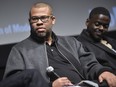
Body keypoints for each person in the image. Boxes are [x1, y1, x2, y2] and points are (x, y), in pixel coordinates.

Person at [3, 3, 116, 87]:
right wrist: (50, 85)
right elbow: (14, 82)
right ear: (30, 22)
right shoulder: (19, 50)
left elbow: (89, 64)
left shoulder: (71, 42)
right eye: (34, 19)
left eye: (43, 18)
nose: (39, 22)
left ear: (53, 20)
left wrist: (103, 71)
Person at [75, 7, 116, 86]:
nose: (101, 28)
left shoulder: (111, 41)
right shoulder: (79, 44)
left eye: (105, 26)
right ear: (87, 22)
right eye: (97, 24)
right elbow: (91, 67)